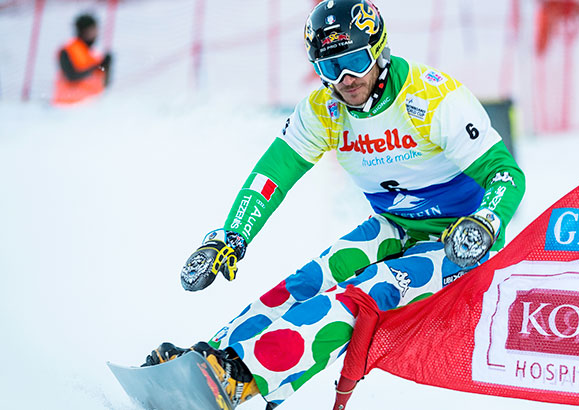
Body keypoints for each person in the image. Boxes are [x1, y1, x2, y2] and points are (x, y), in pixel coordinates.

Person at [144, 1, 525, 408]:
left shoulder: (432, 97)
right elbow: (272, 177)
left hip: (458, 242)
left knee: (355, 297)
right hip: (394, 225)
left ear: (379, 50)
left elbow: (505, 173)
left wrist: (485, 222)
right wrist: (232, 235)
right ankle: (215, 360)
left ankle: (244, 376)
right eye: (329, 67)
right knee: (308, 280)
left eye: (357, 61)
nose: (345, 79)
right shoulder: (323, 110)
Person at [52, 13, 112, 105]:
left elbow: (105, 83)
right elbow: (71, 76)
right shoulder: (68, 50)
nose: (95, 33)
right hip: (67, 105)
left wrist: (106, 66)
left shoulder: (94, 55)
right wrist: (96, 67)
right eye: (92, 30)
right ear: (83, 31)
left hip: (92, 104)